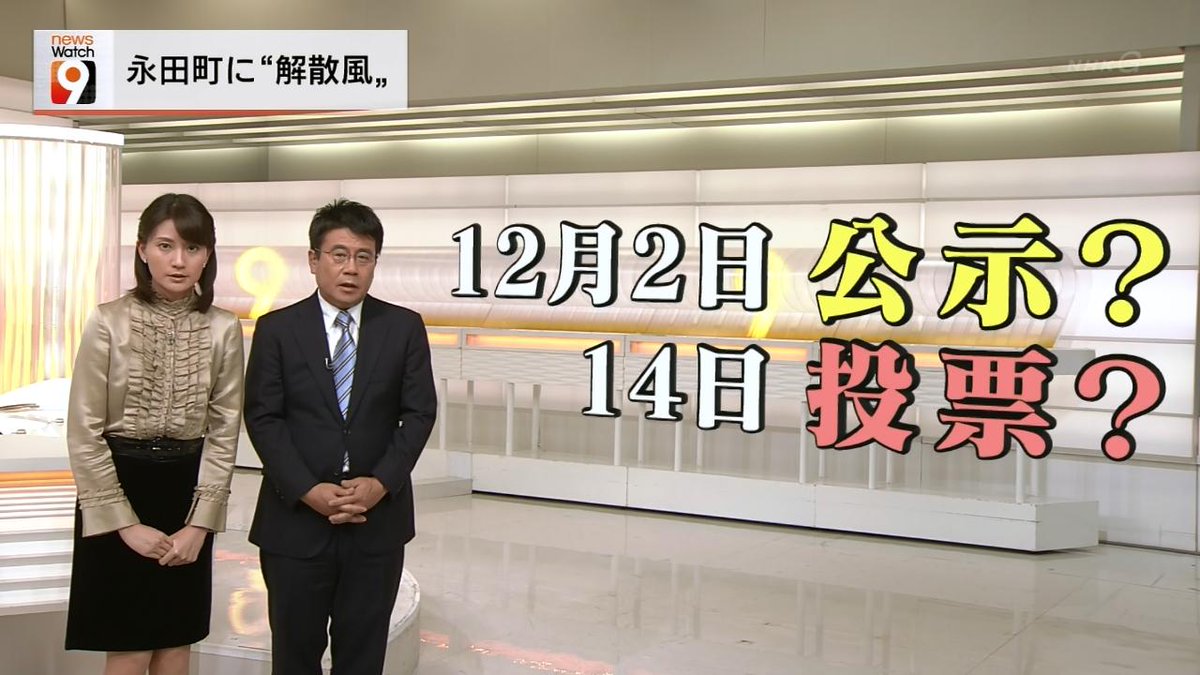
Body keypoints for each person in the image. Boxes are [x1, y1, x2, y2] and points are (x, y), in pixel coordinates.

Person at [243, 198, 437, 675]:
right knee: (294, 657)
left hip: (376, 524)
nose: (351, 268)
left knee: (362, 658)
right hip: (295, 524)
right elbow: (263, 417)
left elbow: (419, 414)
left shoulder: (403, 328)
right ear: (314, 260)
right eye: (339, 254)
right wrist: (307, 489)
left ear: (375, 262)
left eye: (363, 256)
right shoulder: (277, 329)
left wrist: (381, 483)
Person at [65, 193, 244, 675]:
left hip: (186, 493)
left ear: (208, 255)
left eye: (193, 247)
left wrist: (200, 525)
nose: (179, 260)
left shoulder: (224, 328)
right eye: (166, 246)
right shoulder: (108, 320)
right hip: (117, 488)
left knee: (175, 645)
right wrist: (124, 524)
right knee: (128, 649)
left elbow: (224, 433)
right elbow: (84, 431)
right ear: (142, 249)